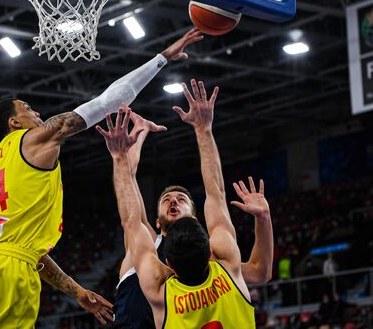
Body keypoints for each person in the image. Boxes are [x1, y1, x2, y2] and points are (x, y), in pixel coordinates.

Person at [0, 29, 204, 329]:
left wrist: (76, 290)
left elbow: (23, 249)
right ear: (14, 122)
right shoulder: (34, 140)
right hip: (6, 270)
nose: (37, 113)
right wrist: (161, 59)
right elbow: (106, 102)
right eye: (28, 110)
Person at [97, 82, 266, 328]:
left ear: (170, 267)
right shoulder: (226, 263)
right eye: (166, 200)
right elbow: (216, 194)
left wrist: (119, 156)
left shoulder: (158, 283)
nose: (173, 201)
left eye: (181, 199)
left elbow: (130, 217)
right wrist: (204, 129)